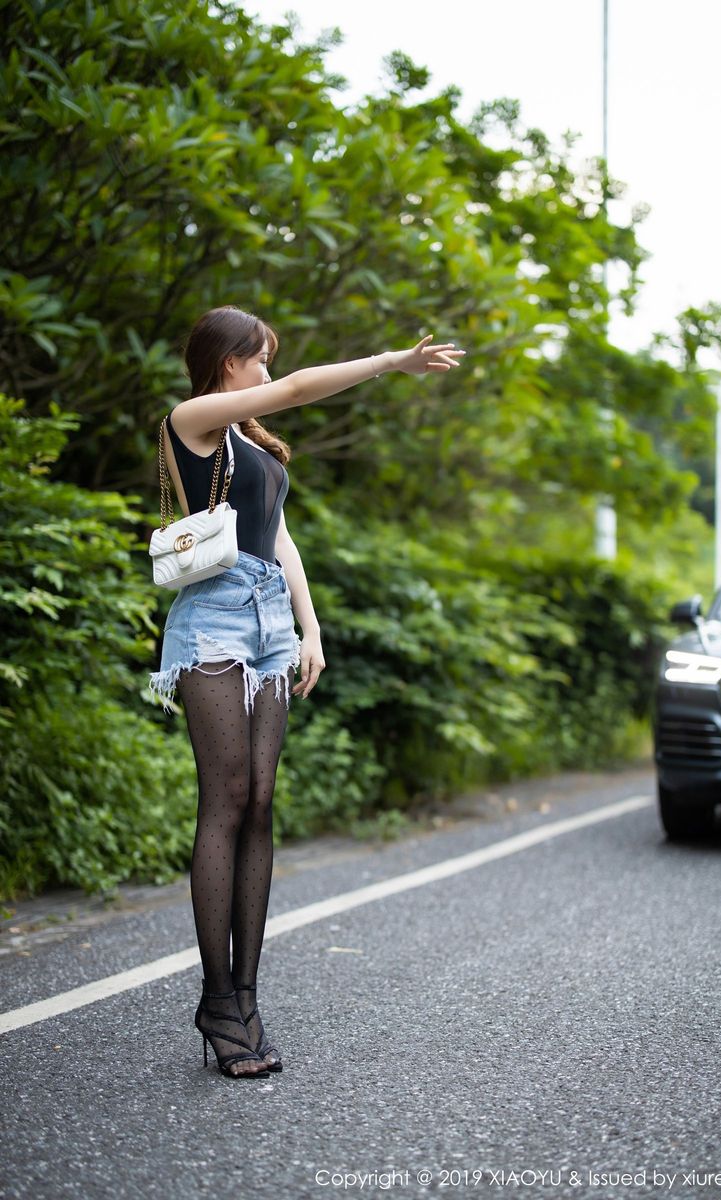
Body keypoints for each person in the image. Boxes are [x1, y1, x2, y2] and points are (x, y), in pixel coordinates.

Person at [149, 305, 464, 1078]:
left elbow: (279, 535)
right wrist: (389, 360)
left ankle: (247, 998)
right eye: (258, 358)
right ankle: (217, 999)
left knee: (261, 800)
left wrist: (310, 626)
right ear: (229, 361)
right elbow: (290, 391)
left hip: (268, 625)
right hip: (214, 622)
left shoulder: (250, 444)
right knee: (223, 797)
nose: (266, 369)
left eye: (268, 360)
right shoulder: (192, 419)